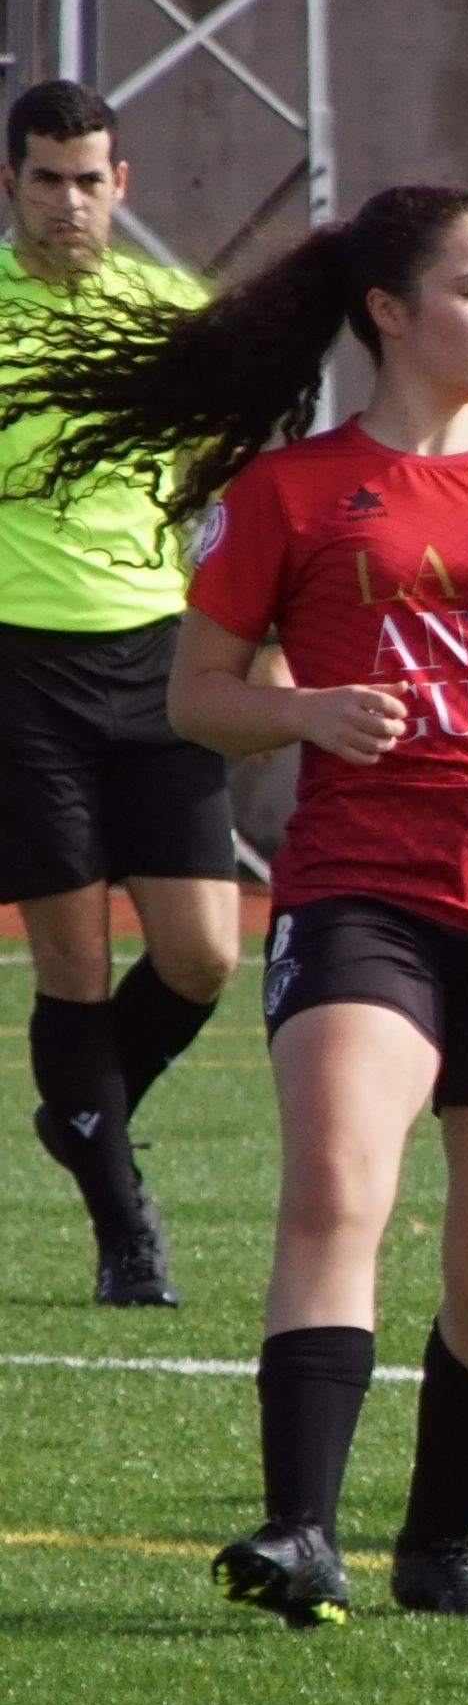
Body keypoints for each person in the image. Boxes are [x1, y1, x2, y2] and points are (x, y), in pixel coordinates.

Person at [0, 183, 468, 1627]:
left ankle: (438, 1545)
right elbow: (198, 698)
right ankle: (299, 1532)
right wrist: (307, 711)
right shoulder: (291, 493)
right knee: (336, 1187)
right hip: (361, 896)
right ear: (389, 312)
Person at [0, 79, 226, 1306]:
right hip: (19, 668)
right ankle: (124, 1227)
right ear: (11, 184)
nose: (70, 203)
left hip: (156, 661)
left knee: (200, 956)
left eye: (91, 181)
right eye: (47, 178)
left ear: (122, 186)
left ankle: (84, 1112)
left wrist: (257, 639)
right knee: (73, 964)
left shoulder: (174, 318)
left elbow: (222, 494)